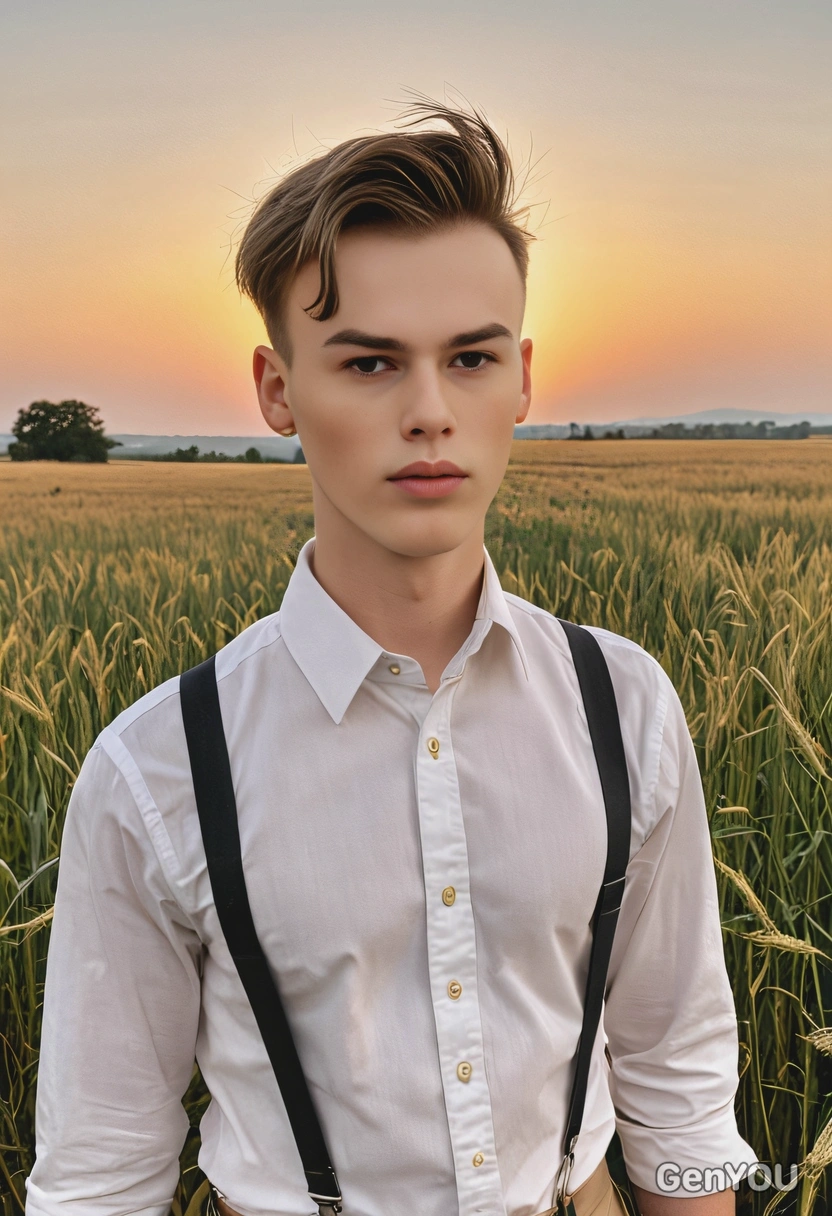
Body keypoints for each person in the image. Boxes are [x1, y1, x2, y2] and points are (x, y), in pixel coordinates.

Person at [27, 97, 757, 1216]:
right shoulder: (156, 770)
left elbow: (681, 1085)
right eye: (368, 365)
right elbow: (98, 1174)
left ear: (520, 378)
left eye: (468, 359)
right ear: (278, 389)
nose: (428, 412)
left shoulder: (625, 707)